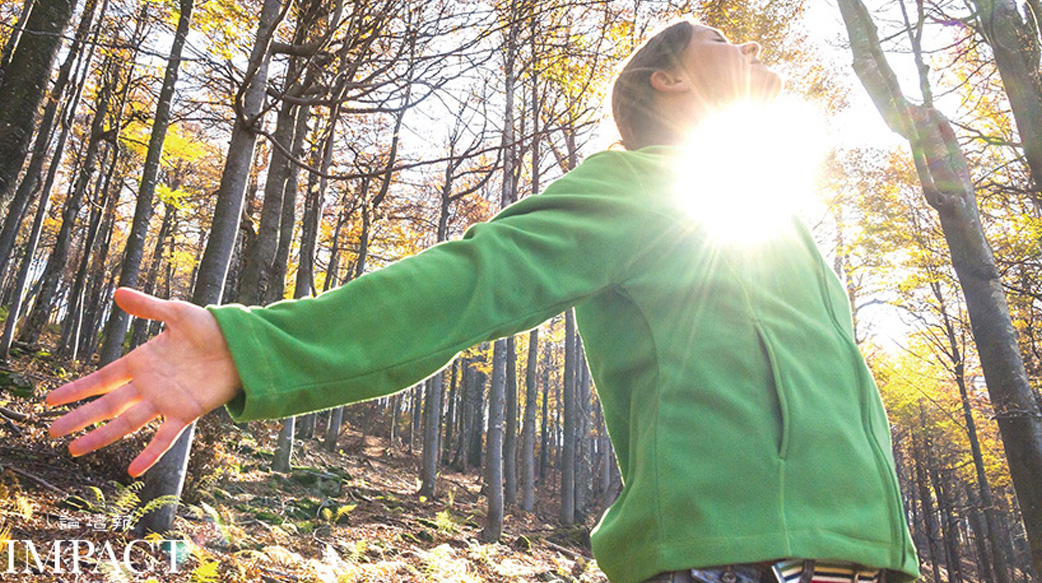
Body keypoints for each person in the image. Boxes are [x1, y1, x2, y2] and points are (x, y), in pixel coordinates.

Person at [46, 18, 920, 583]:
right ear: (669, 80)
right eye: (727, 40)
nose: (752, 52)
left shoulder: (779, 223)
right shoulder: (643, 185)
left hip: (877, 565)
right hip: (737, 565)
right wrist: (256, 347)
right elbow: (472, 280)